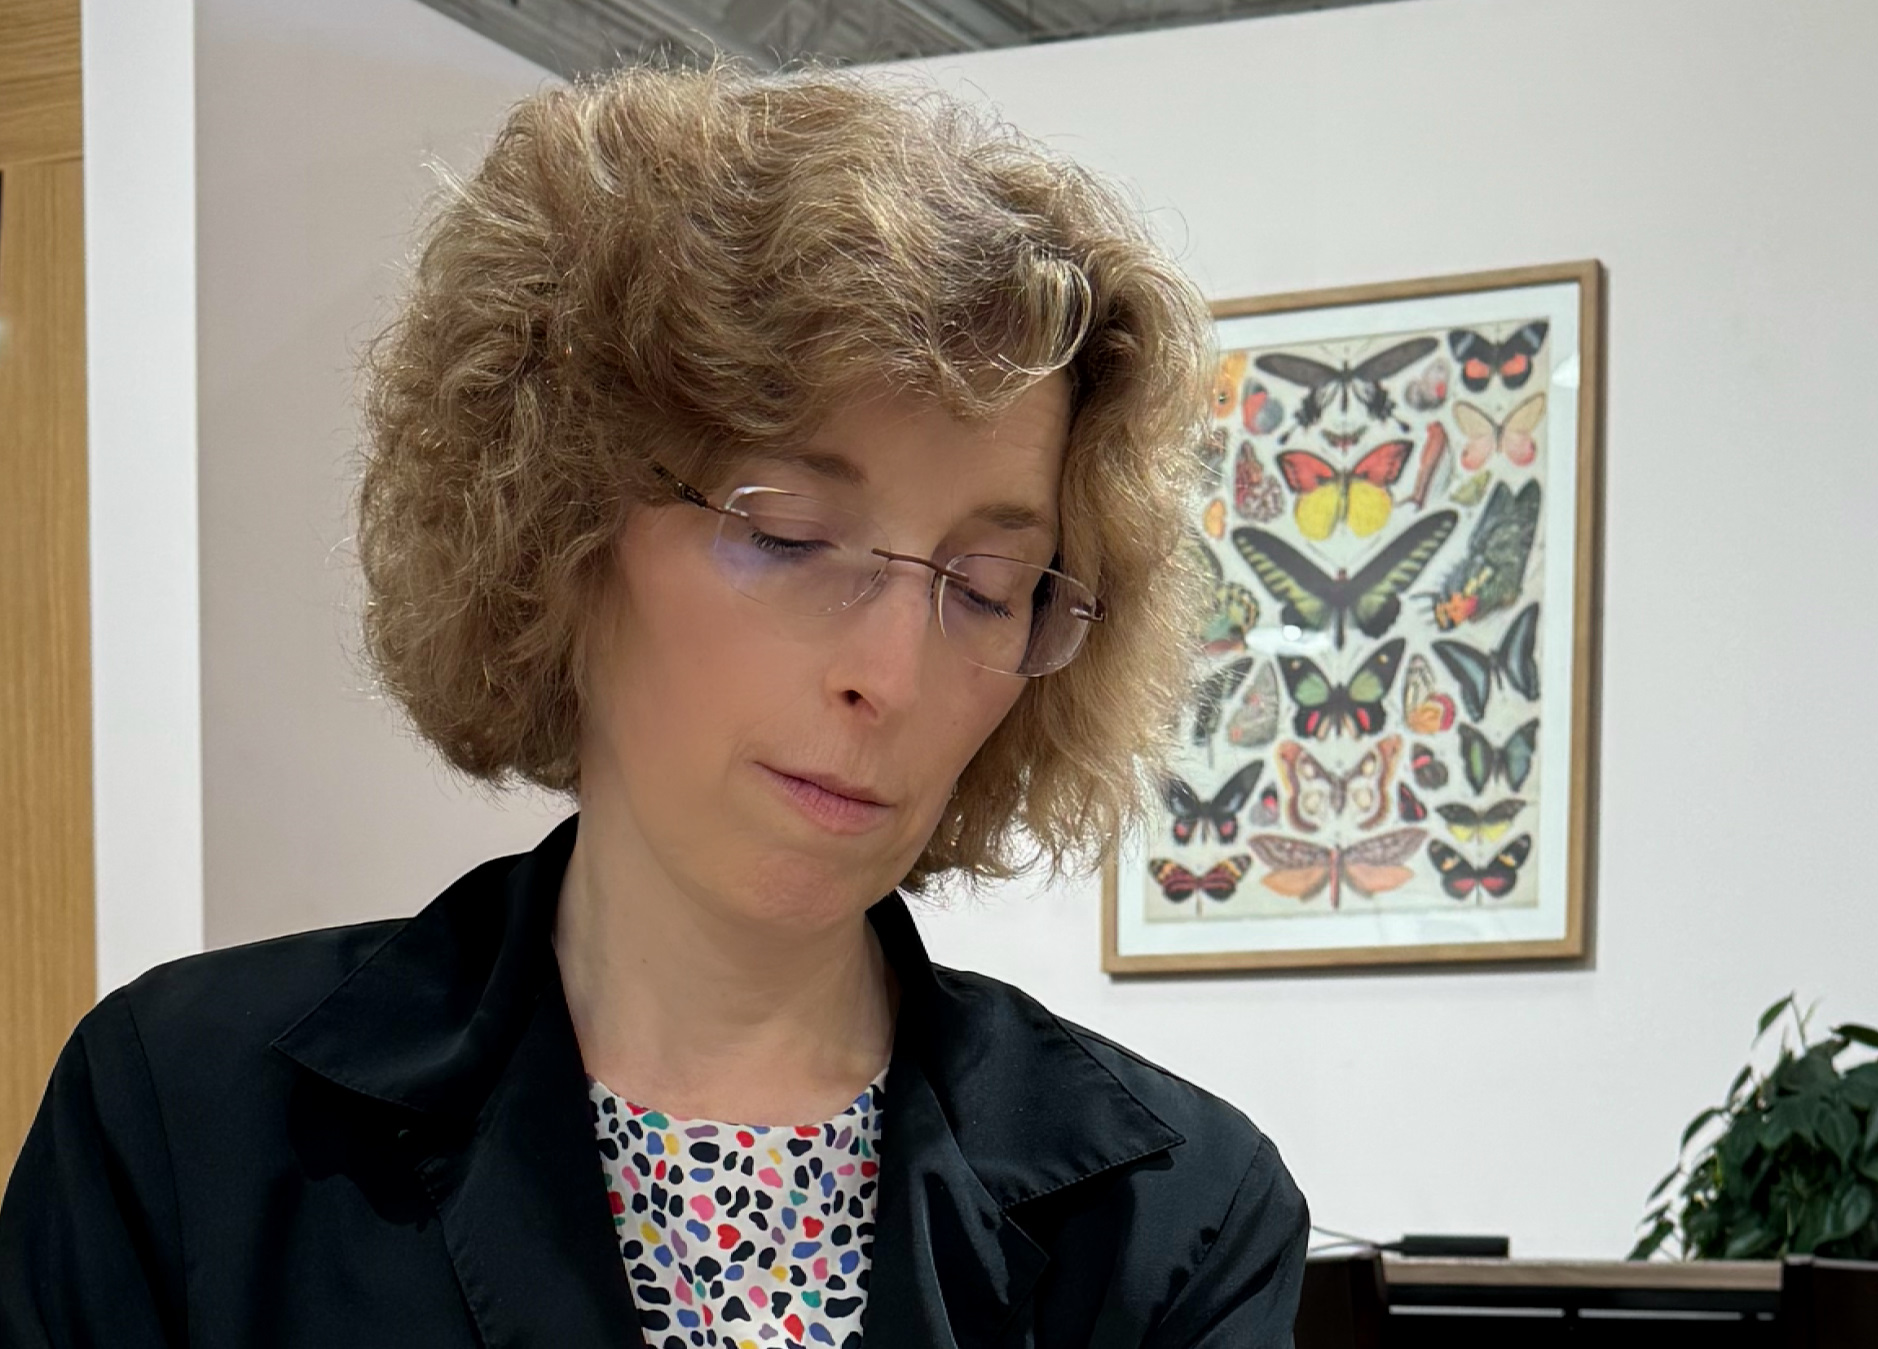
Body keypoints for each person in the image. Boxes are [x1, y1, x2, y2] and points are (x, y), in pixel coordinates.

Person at [0, 62, 1307, 1348]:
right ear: (562, 526)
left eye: (988, 585)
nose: (893, 676)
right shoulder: (184, 1121)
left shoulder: (1173, 1220)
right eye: (792, 534)